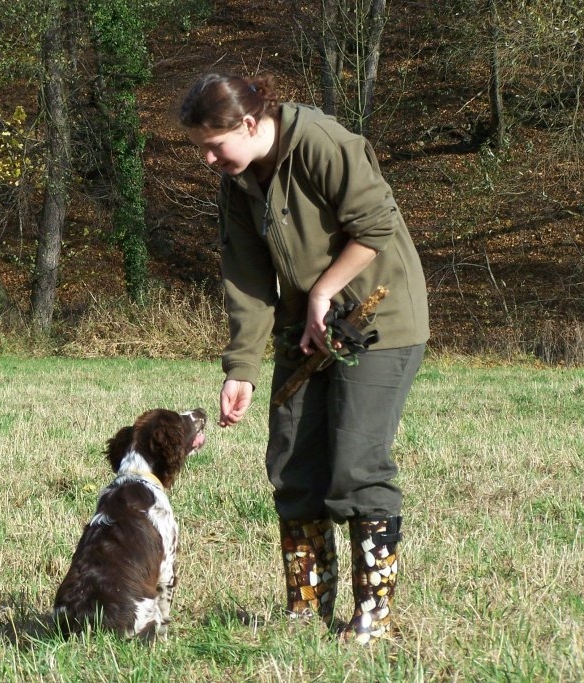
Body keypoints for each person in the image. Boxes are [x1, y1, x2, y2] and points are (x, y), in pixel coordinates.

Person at [179, 72, 430, 644]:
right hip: (304, 333)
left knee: (357, 468)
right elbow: (245, 278)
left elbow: (376, 224)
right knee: (292, 466)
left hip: (377, 321)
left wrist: (324, 291)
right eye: (201, 150)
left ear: (249, 123)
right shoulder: (238, 179)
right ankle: (306, 609)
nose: (209, 160)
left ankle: (373, 617)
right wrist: (240, 368)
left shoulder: (323, 142)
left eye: (214, 146)